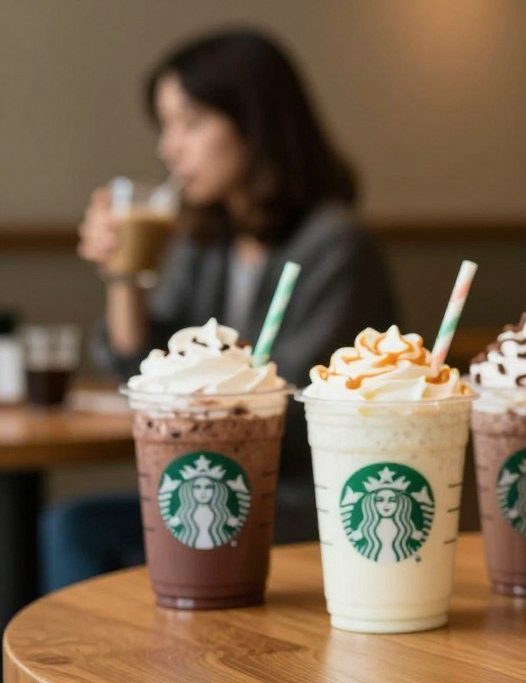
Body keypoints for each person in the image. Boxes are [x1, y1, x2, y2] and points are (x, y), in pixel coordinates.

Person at [42, 30, 396, 593]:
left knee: (81, 531)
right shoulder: (210, 244)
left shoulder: (335, 246)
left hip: (303, 499)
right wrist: (124, 272)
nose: (168, 147)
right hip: (214, 479)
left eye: (190, 122)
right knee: (72, 527)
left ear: (254, 123)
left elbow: (286, 414)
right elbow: (137, 364)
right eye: (164, 125)